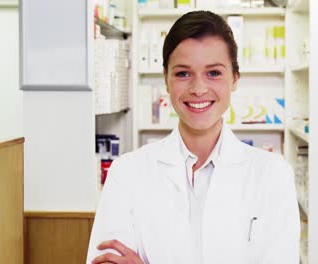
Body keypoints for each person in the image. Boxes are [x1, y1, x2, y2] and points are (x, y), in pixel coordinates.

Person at [87, 10, 300, 264]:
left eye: (213, 73)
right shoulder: (127, 173)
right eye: (183, 74)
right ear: (166, 79)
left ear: (234, 79)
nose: (198, 88)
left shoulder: (273, 176)